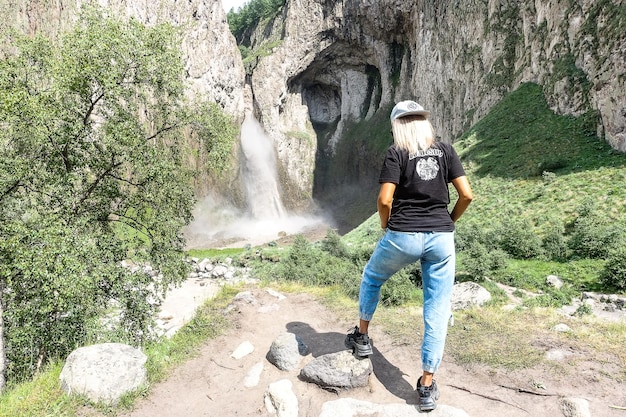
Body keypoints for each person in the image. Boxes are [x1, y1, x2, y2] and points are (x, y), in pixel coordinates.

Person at [344, 100, 474, 412]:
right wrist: (447, 223)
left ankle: (362, 338)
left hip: (403, 234)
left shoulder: (396, 152)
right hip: (441, 238)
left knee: (373, 277)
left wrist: (387, 226)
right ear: (424, 123)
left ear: (398, 125)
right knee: (437, 309)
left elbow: (384, 199)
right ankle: (427, 386)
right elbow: (467, 195)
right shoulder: (446, 150)